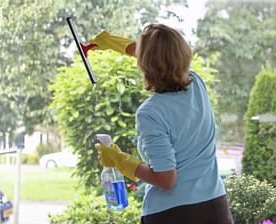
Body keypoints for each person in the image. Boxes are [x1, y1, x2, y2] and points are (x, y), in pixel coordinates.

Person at [90, 24, 234, 224]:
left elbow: (166, 179)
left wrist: (120, 160)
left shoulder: (151, 113)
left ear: (144, 65)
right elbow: (166, 58)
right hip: (215, 208)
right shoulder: (196, 84)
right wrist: (115, 43)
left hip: (174, 215)